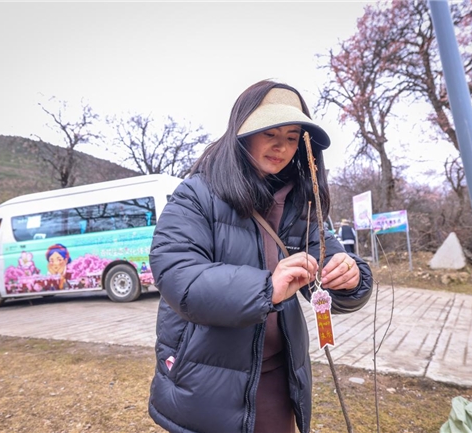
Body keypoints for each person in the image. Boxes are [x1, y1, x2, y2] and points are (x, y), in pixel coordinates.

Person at [147, 80, 373, 433]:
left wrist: (350, 276)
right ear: (243, 133)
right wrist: (267, 287)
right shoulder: (196, 194)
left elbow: (330, 257)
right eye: (270, 133)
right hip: (205, 376)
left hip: (279, 375)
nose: (282, 146)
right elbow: (178, 276)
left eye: (293, 137)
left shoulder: (299, 203)